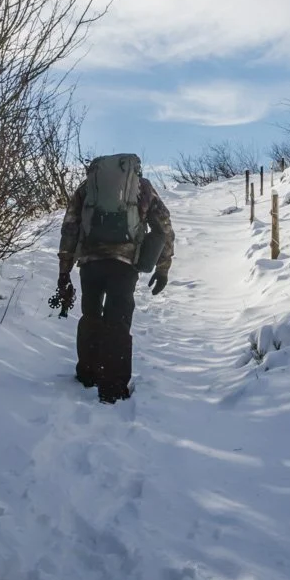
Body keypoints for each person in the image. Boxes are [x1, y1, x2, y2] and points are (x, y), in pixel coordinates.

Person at [53, 154, 175, 403]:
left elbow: (70, 227)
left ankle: (88, 375)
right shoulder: (143, 189)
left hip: (90, 262)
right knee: (117, 322)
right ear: (135, 169)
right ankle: (113, 388)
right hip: (124, 264)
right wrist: (162, 268)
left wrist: (64, 272)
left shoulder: (87, 188)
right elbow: (164, 227)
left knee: (91, 315)